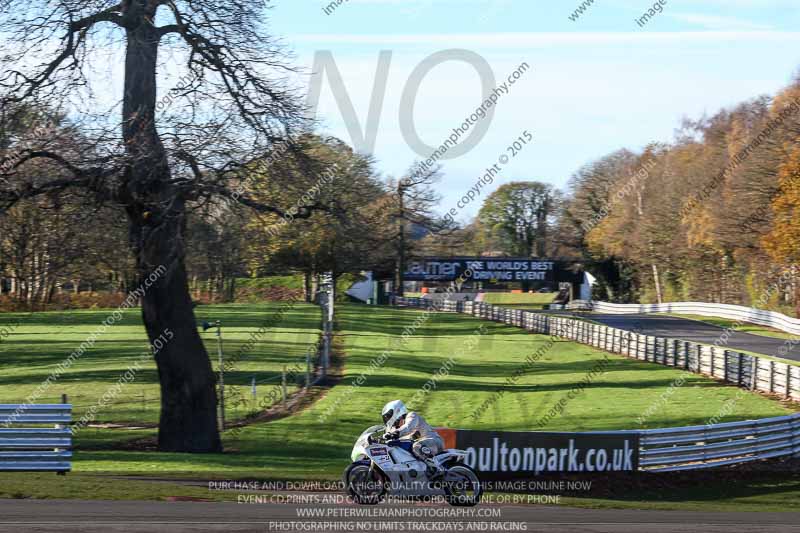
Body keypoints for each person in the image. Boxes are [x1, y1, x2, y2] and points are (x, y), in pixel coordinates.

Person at [381, 400, 444, 472]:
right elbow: (388, 436)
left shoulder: (412, 416)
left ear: (397, 411)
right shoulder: (395, 428)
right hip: (423, 449)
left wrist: (395, 434)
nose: (387, 419)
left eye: (388, 416)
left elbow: (408, 427)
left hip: (434, 442)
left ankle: (437, 470)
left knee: (417, 446)